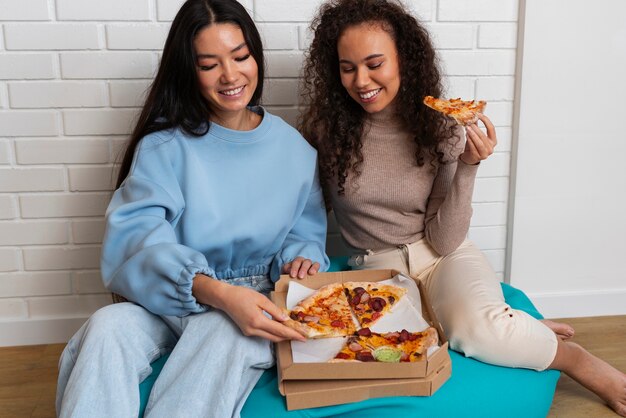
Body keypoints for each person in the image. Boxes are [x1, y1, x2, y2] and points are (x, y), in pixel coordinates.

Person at [299, 0, 626, 416]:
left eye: (374, 63)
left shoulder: (439, 126)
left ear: (403, 60)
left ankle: (577, 359)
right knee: (390, 348)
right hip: (378, 268)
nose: (361, 80)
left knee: (482, 332)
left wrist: (468, 166)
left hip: (442, 255)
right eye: (348, 67)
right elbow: (304, 205)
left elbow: (445, 239)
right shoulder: (325, 131)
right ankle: (510, 321)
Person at [55, 1, 329, 417]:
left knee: (224, 327)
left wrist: (300, 260)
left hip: (255, 302)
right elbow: (136, 240)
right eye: (209, 65)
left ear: (255, 55)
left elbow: (303, 234)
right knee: (106, 328)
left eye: (240, 57)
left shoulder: (296, 152)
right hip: (176, 298)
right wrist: (214, 290)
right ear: (189, 71)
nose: (231, 75)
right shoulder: (164, 147)